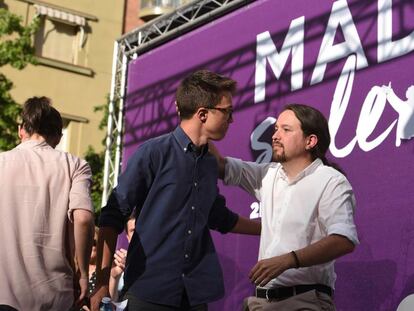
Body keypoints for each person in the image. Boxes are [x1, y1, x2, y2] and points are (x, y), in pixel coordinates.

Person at [91, 70, 261, 311]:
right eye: (227, 111)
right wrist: (100, 282)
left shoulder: (209, 164)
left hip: (193, 296)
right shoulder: (153, 153)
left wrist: (268, 228)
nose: (231, 119)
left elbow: (217, 216)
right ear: (203, 114)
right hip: (148, 291)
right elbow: (112, 215)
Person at [211, 104, 359, 310]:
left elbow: (344, 240)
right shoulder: (268, 174)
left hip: (304, 301)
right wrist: (198, 123)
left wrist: (289, 260)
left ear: (310, 141)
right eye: (276, 129)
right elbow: (218, 165)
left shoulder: (331, 181)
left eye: (286, 130)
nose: (275, 136)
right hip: (259, 302)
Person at [0, 97, 95, 310]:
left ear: (21, 129)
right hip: (56, 295)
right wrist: (83, 275)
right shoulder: (75, 166)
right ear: (59, 137)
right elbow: (83, 218)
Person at [108, 215, 136, 301]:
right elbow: (112, 303)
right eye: (133, 231)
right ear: (127, 236)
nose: (137, 235)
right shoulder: (119, 261)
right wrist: (114, 277)